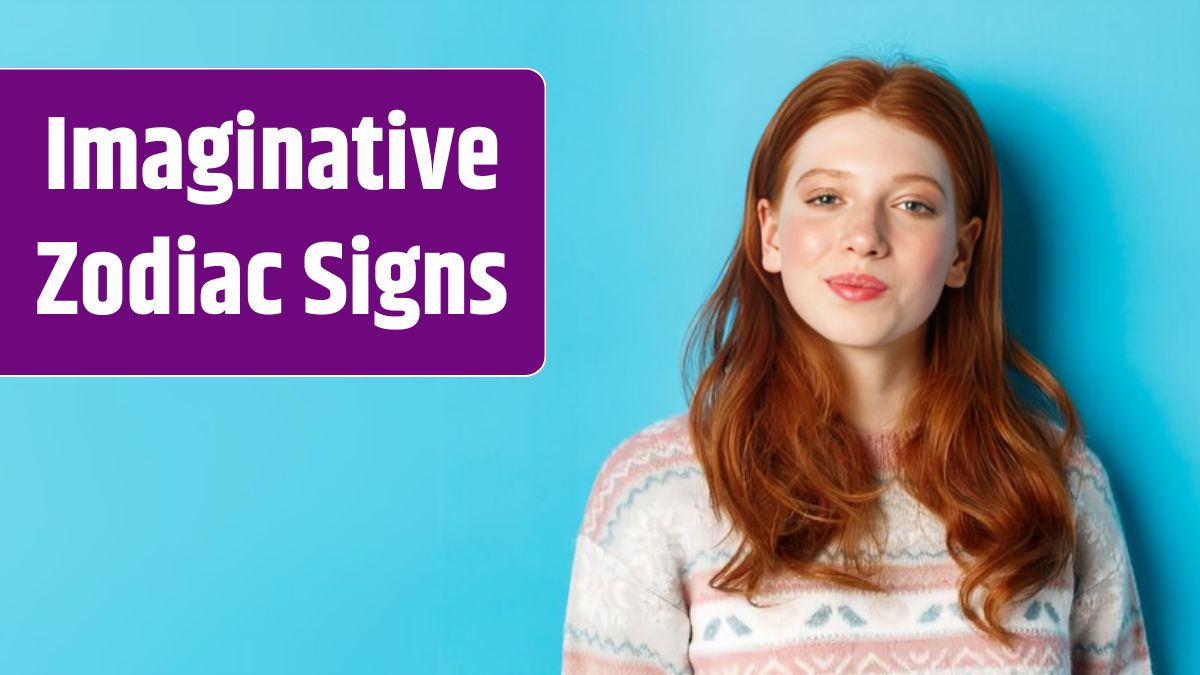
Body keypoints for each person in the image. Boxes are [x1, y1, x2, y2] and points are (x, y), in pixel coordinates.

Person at [561, 55, 1153, 674]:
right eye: (825, 197)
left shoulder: (1059, 482)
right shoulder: (655, 491)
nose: (864, 235)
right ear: (770, 234)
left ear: (962, 252)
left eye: (912, 205)